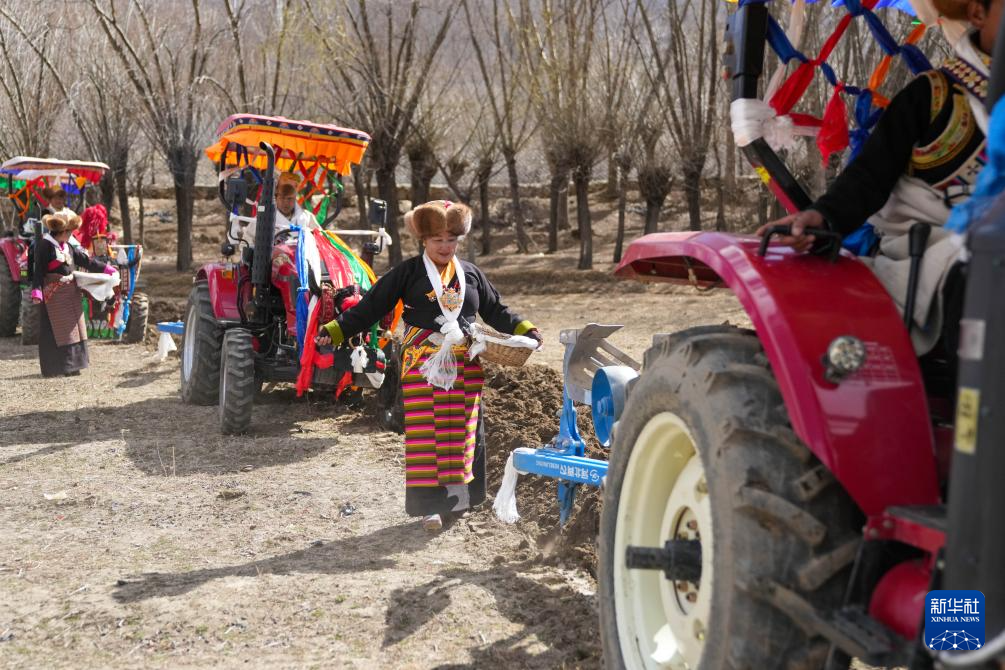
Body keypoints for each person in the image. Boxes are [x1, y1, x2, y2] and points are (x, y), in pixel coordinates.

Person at [758, 0, 1001, 355]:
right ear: (978, 14)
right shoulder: (931, 94)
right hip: (928, 248)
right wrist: (824, 216)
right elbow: (870, 176)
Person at [315, 200, 543, 531]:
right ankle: (430, 509)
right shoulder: (408, 273)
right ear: (423, 240)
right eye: (438, 240)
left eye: (452, 239)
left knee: (464, 431)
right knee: (428, 434)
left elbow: (496, 310)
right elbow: (371, 307)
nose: (445, 247)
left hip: (464, 363)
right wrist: (335, 330)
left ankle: (461, 501)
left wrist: (526, 330)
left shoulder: (471, 274)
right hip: (422, 365)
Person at [29, 212, 117, 377]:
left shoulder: (67, 246)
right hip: (53, 296)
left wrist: (106, 269)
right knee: (57, 330)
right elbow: (38, 270)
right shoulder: (44, 245)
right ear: (62, 232)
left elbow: (86, 261)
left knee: (76, 329)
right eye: (69, 232)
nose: (71, 235)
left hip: (71, 293)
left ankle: (73, 366)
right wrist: (37, 291)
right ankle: (56, 368)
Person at [244, 172, 318, 248]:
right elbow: (246, 242)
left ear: (295, 195)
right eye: (282, 197)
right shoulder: (264, 217)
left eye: (289, 198)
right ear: (276, 194)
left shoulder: (307, 217)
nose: (286, 202)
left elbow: (321, 240)